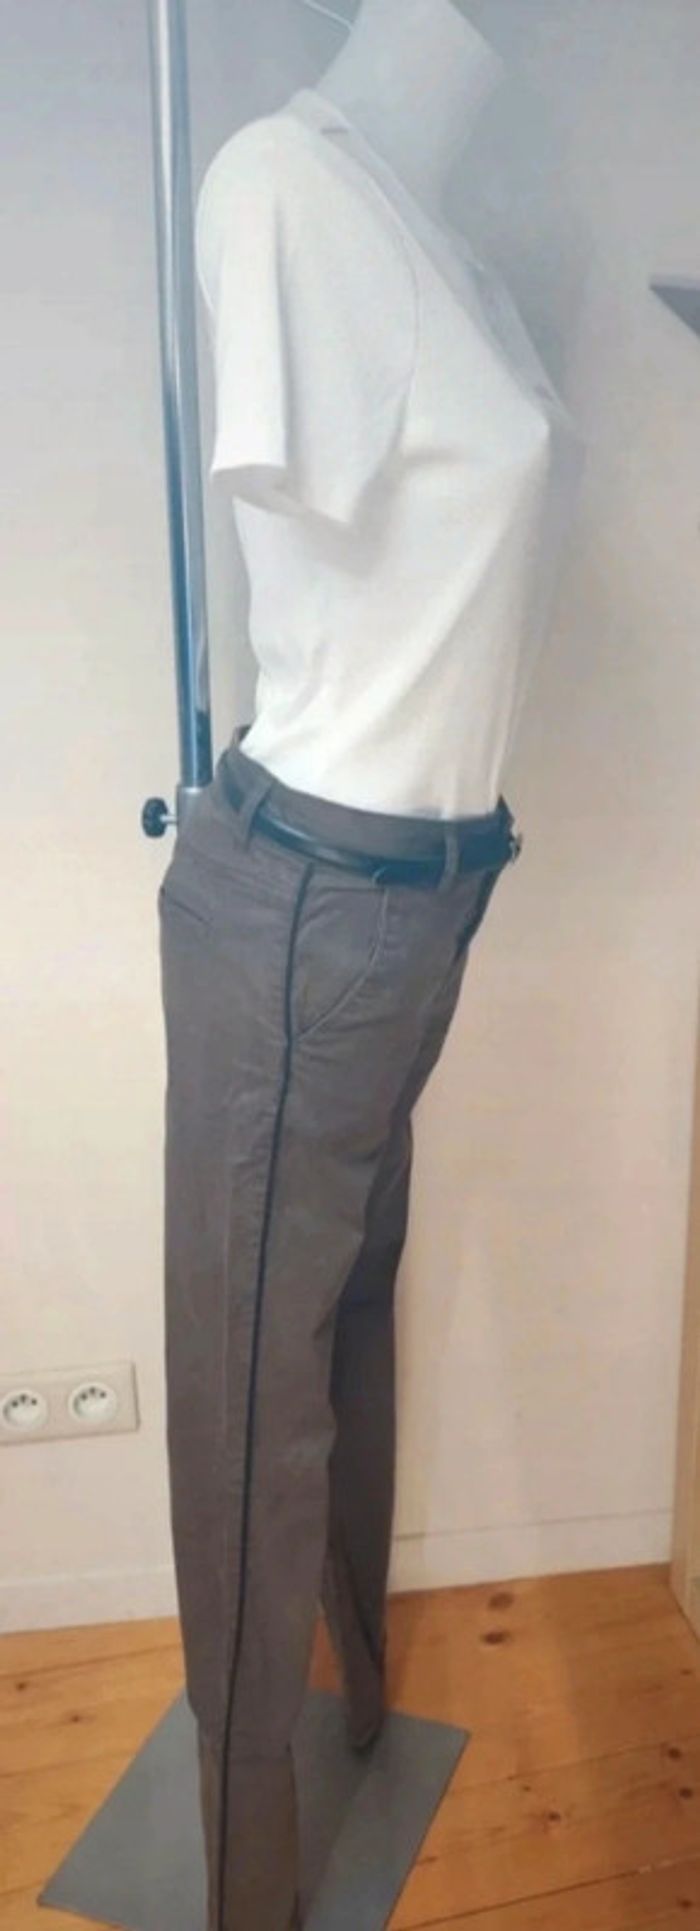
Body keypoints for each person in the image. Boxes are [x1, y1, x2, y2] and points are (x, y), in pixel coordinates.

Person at [157, 3, 585, 1924]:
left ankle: (356, 1711)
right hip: (308, 909)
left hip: (425, 898)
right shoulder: (284, 188)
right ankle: (248, 1884)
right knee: (255, 1411)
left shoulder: (441, 229)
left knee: (342, 1329)